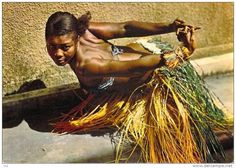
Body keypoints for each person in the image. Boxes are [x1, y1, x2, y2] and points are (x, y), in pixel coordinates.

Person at [45, 11, 232, 163]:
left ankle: (209, 136)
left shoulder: (87, 42)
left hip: (156, 76)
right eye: (51, 47)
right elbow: (130, 68)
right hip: (152, 70)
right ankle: (207, 136)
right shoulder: (86, 63)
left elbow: (125, 28)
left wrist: (170, 27)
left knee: (199, 134)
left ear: (77, 36)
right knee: (186, 140)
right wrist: (176, 55)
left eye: (65, 46)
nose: (58, 54)